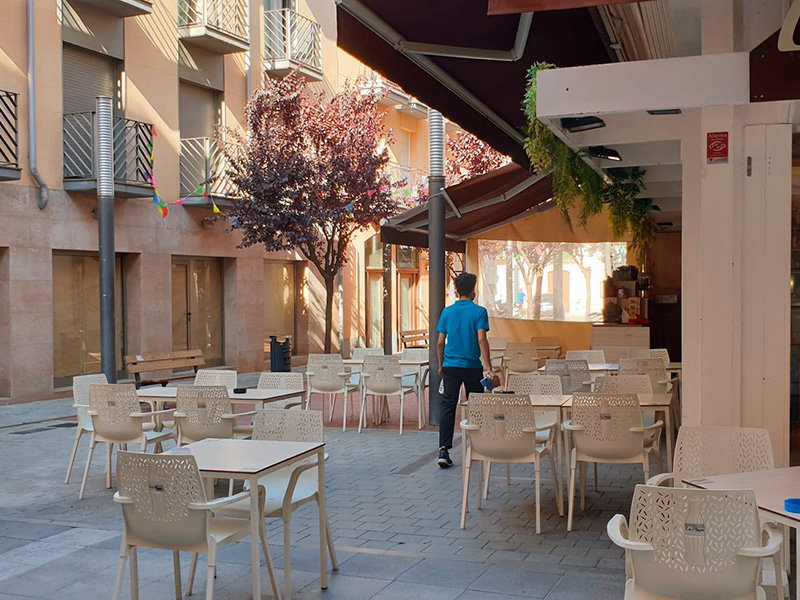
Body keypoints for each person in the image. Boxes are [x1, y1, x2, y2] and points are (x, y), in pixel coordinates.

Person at [435, 272, 493, 468]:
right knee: (476, 405)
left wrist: (441, 364)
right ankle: (478, 447)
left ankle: (443, 449)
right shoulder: (479, 312)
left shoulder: (447, 312)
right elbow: (481, 340)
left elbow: (440, 343)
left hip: (450, 366)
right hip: (472, 366)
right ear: (473, 290)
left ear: (457, 290)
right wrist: (488, 367)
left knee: (448, 406)